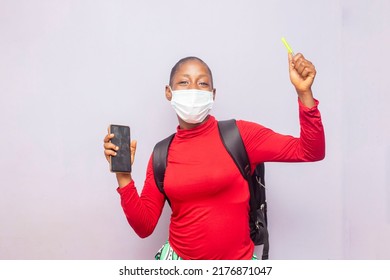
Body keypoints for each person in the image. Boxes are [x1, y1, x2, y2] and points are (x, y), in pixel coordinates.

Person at [103, 53, 325, 260]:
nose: (193, 89)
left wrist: (304, 93)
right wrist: (124, 177)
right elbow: (144, 226)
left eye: (202, 83)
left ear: (213, 94)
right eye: (184, 82)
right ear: (168, 92)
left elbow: (310, 151)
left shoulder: (241, 135)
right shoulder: (162, 152)